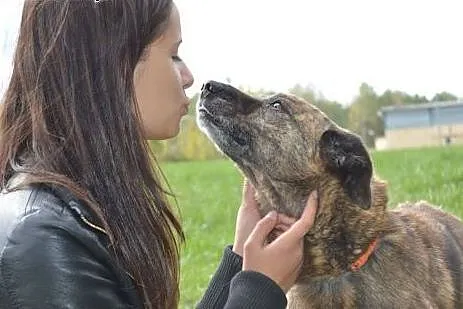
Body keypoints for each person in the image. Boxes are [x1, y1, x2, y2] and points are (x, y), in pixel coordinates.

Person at [0, 1, 317, 308]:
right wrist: (261, 290)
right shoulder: (46, 243)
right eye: (174, 54)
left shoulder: (67, 211)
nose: (188, 76)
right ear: (114, 63)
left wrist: (239, 262)